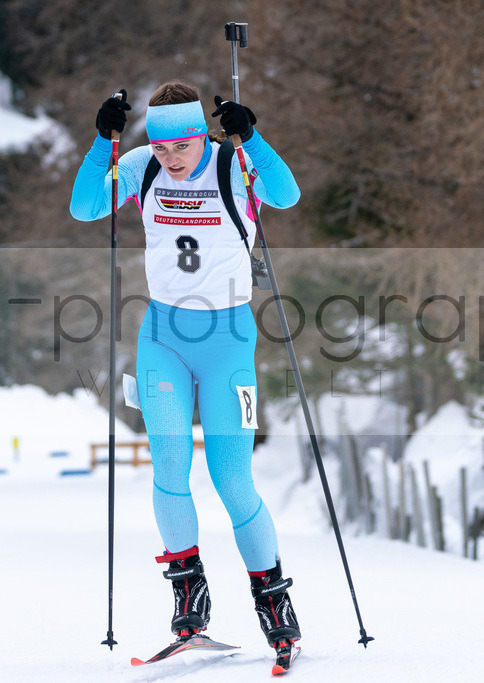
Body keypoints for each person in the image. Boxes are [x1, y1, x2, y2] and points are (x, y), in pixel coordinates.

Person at [70, 82, 302, 656]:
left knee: (231, 479)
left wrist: (253, 136)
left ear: (203, 136)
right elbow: (84, 207)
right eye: (162, 147)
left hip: (228, 341)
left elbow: (287, 194)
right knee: (169, 468)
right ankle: (189, 604)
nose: (171, 159)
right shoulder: (141, 166)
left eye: (182, 147)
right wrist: (104, 142)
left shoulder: (233, 164)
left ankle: (274, 603)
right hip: (162, 338)